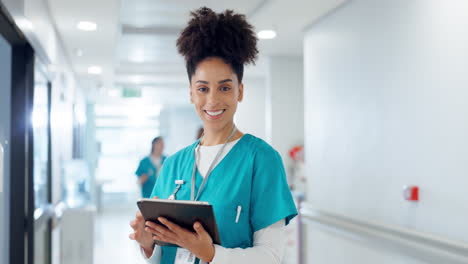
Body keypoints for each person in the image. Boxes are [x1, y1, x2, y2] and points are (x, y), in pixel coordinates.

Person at [129, 7, 297, 264]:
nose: (213, 100)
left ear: (240, 91)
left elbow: (272, 256)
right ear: (191, 93)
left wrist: (209, 253)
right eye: (203, 88)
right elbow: (165, 253)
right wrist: (149, 245)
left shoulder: (261, 160)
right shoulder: (174, 165)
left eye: (225, 87)